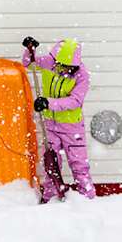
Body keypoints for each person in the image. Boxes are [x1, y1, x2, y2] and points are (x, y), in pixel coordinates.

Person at [21, 36, 96, 201]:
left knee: (79, 165)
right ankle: (50, 197)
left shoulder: (82, 75)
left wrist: (48, 103)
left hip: (71, 127)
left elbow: (75, 101)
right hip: (50, 125)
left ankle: (88, 199)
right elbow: (28, 63)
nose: (63, 70)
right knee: (52, 164)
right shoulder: (50, 63)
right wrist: (29, 50)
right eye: (61, 65)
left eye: (68, 67)